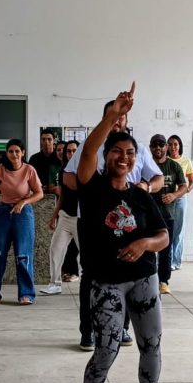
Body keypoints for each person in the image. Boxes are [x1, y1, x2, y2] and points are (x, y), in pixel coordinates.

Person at [71, 83, 169, 383]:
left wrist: (145, 244)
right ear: (106, 156)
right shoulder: (92, 188)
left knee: (151, 346)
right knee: (106, 350)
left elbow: (163, 236)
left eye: (130, 152)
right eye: (116, 151)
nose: (123, 157)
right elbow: (88, 152)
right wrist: (113, 114)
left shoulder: (141, 196)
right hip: (106, 283)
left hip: (143, 280)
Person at [64, 100, 163, 350]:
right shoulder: (93, 146)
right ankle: (88, 331)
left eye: (122, 116)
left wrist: (146, 188)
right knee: (92, 274)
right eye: (114, 116)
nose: (124, 157)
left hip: (130, 221)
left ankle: (122, 327)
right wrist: (90, 191)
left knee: (130, 272)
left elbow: (158, 178)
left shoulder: (139, 148)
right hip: (93, 221)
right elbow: (70, 174)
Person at [0, 138, 44, 304]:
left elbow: (39, 193)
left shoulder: (29, 170)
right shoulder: (1, 169)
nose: (14, 154)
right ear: (6, 153)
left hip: (23, 214)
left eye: (17, 151)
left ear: (23, 152)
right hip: (4, 213)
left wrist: (23, 202)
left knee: (23, 255)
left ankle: (26, 294)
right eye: (10, 151)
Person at [149, 135, 187, 294]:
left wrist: (174, 195)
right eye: (154, 145)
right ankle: (148, 279)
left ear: (166, 147)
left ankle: (163, 281)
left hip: (167, 215)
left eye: (161, 144)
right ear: (150, 148)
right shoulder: (145, 165)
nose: (158, 148)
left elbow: (184, 186)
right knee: (147, 248)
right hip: (148, 216)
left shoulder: (174, 166)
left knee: (166, 249)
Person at [41, 140, 79, 295]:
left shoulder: (86, 169)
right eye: (68, 151)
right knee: (55, 249)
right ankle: (55, 284)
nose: (71, 154)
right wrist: (54, 216)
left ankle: (90, 284)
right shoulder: (64, 170)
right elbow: (62, 196)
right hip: (65, 216)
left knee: (86, 254)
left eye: (74, 150)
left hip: (81, 218)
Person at [166, 134, 193, 271]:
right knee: (167, 230)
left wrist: (188, 189)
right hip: (167, 199)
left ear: (179, 146)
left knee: (179, 230)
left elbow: (191, 181)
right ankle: (166, 260)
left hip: (181, 199)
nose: (173, 147)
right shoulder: (164, 161)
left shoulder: (186, 161)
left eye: (175, 144)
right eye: (170, 144)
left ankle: (176, 261)